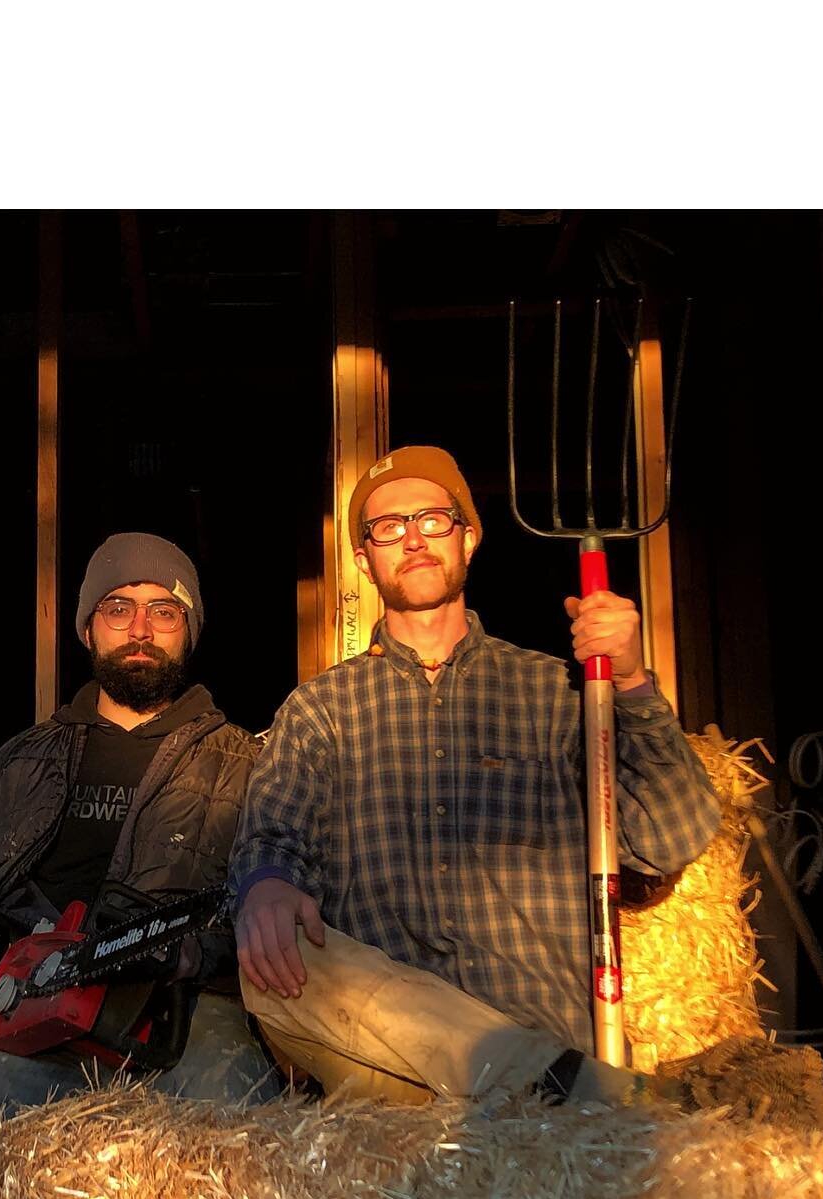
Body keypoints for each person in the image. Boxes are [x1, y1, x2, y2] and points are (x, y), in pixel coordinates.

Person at [229, 445, 722, 1109]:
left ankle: (539, 1085)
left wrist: (629, 682)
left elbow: (670, 835)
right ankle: (569, 1094)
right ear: (364, 558)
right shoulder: (321, 710)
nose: (413, 540)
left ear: (470, 537)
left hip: (538, 1022)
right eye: (387, 528)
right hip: (394, 1066)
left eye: (433, 518)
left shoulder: (554, 692)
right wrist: (266, 886)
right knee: (269, 958)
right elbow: (272, 835)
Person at [0, 532, 282, 1148]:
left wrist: (196, 955)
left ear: (189, 633)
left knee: (246, 1140)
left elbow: (266, 908)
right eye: (118, 608)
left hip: (184, 1017)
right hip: (34, 1010)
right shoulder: (21, 762)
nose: (140, 627)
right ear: (88, 629)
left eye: (164, 611)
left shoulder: (244, 766)